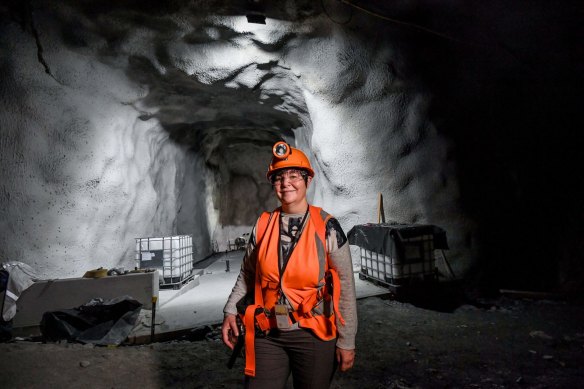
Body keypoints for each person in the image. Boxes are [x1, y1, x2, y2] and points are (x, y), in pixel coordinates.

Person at [221, 141, 357, 388]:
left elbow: (345, 284)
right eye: (279, 178)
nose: (286, 183)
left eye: (294, 175)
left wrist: (347, 341)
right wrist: (230, 310)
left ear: (307, 180)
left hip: (314, 333)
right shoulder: (263, 225)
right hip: (267, 332)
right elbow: (248, 274)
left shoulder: (327, 227)